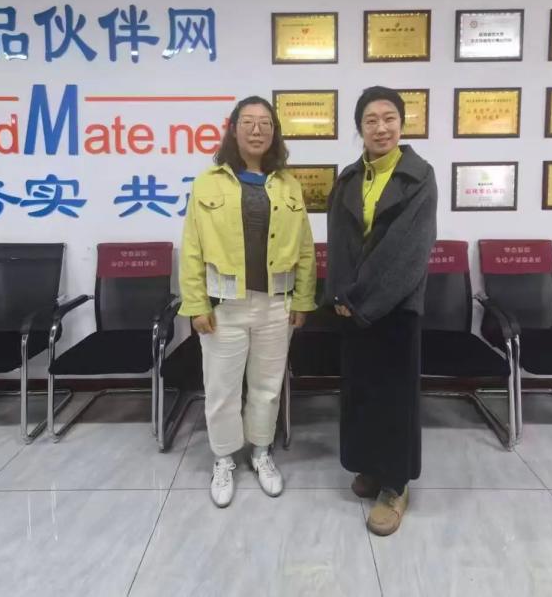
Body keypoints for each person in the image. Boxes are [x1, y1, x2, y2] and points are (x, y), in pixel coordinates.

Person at [179, 95, 316, 508]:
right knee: (221, 388)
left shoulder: (288, 185)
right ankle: (224, 458)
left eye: (265, 123)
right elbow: (192, 249)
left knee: (267, 387)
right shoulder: (208, 183)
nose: (257, 130)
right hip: (225, 306)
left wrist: (303, 299)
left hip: (276, 304)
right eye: (248, 122)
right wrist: (196, 304)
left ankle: (260, 452)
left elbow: (305, 248)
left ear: (275, 133)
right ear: (234, 129)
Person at [324, 86, 438, 536]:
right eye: (370, 120)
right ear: (360, 128)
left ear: (402, 123)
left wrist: (362, 301)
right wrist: (340, 297)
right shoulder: (349, 178)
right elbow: (338, 243)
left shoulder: (418, 177)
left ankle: (395, 485)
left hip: (396, 307)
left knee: (394, 399)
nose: (381, 128)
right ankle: (370, 466)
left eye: (389, 118)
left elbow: (407, 251)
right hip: (353, 306)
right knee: (361, 392)